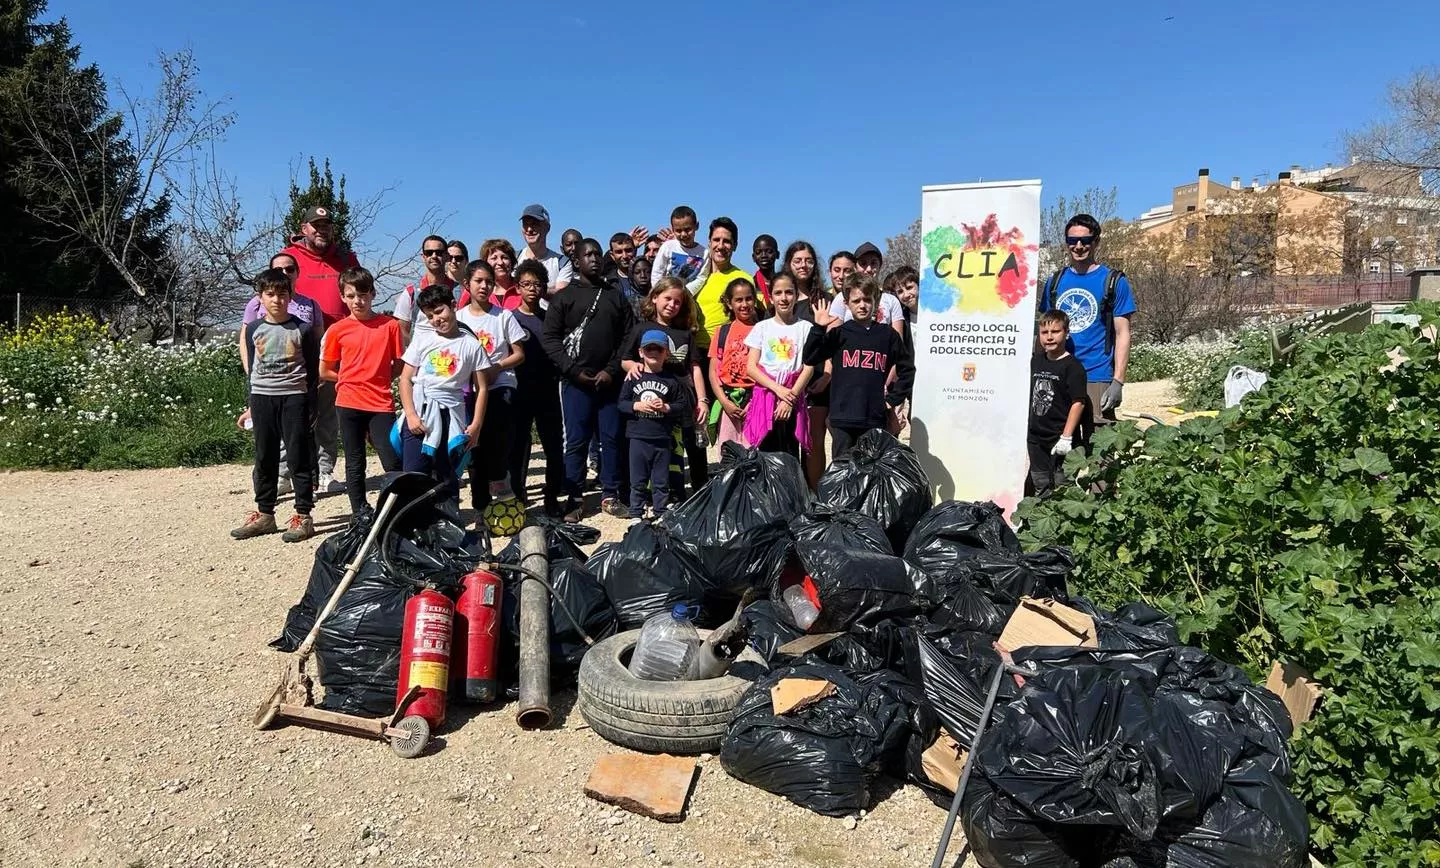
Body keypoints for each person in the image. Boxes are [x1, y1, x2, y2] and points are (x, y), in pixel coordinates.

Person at [541, 237, 636, 522]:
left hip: (610, 383)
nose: (594, 258)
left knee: (611, 438)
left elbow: (628, 336)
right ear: (577, 261)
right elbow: (550, 338)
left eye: (597, 253)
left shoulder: (615, 295)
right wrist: (572, 370)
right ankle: (575, 497)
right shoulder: (564, 296)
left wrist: (611, 369)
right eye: (588, 254)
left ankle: (610, 494)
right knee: (577, 441)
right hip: (574, 384)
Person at [231, 267, 320, 543]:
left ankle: (303, 515)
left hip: (294, 398)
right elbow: (252, 370)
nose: (277, 300)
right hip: (261, 398)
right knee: (264, 456)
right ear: (260, 298)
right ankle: (265, 514)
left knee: (298, 457)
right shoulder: (255, 329)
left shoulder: (302, 329)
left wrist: (312, 407)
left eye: (282, 294)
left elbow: (313, 371)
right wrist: (249, 405)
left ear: (290, 297)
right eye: (270, 294)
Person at [1037, 213, 1135, 444]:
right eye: (1072, 241)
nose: (1078, 246)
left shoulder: (1114, 281)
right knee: (1057, 445)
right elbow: (1043, 329)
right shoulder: (1055, 281)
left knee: (1100, 451)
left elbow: (1123, 333)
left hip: (1097, 375)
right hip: (1058, 373)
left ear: (1096, 242)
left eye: (1085, 240)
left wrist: (1118, 382)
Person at [281, 204, 358, 493]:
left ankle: (325, 471)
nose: (321, 230)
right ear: (304, 229)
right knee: (292, 411)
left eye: (326, 226)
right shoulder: (289, 258)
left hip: (337, 346)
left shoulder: (346, 257)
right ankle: (286, 472)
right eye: (316, 225)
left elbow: (355, 293)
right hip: (296, 347)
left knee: (327, 412)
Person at [319, 266, 404, 522]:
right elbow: (325, 370)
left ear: (373, 294)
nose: (358, 301)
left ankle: (396, 509)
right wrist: (349, 379)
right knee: (355, 461)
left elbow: (399, 363)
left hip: (380, 402)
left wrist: (381, 379)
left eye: (363, 294)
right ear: (343, 297)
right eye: (352, 295)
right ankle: (359, 512)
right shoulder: (337, 330)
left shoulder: (390, 326)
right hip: (349, 402)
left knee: (391, 459)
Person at [396, 286, 493, 508]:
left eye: (439, 311)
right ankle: (414, 526)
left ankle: (449, 524)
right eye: (430, 316)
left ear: (453, 305)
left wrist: (476, 424)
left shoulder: (471, 345)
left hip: (451, 414)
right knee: (413, 472)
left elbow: (482, 388)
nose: (436, 319)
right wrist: (410, 414)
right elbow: (405, 379)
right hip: (421, 411)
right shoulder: (422, 340)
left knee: (447, 473)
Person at [809, 274, 914, 460]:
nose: (862, 305)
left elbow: (907, 369)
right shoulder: (839, 334)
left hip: (874, 417)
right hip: (843, 418)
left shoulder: (887, 335)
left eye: (867, 299)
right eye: (856, 300)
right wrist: (818, 328)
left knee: (871, 472)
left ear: (875, 301)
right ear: (847, 304)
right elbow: (810, 357)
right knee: (843, 472)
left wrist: (892, 399)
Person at [622, 277, 709, 498]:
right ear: (654, 298)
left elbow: (695, 368)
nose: (672, 304)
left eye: (678, 301)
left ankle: (701, 492)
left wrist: (702, 400)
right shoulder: (641, 329)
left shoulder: (686, 333)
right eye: (667, 298)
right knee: (663, 449)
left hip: (684, 400)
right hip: (654, 400)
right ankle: (664, 494)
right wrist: (633, 365)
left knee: (695, 446)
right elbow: (624, 359)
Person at [456, 261, 528, 522]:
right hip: (469, 390)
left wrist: (496, 367)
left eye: (488, 281)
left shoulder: (503, 316)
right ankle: (479, 506)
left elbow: (519, 353)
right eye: (478, 281)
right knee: (474, 449)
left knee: (497, 447)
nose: (484, 286)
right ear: (467, 284)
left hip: (500, 386)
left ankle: (505, 493)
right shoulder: (459, 318)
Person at [508, 260, 566, 516]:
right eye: (526, 284)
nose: (532, 289)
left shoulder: (551, 318)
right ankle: (517, 496)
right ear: (518, 287)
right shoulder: (509, 319)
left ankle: (551, 496)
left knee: (553, 445)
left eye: (537, 284)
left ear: (544, 287)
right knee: (519, 446)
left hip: (549, 389)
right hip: (520, 391)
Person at [619, 331, 693, 520]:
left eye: (658, 349)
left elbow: (681, 404)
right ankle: (636, 512)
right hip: (638, 436)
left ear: (666, 353)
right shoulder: (632, 377)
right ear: (640, 352)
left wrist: (666, 406)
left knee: (660, 479)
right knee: (638, 479)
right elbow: (621, 403)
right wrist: (637, 405)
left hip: (662, 436)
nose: (653, 352)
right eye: (649, 348)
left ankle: (660, 511)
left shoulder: (671, 380)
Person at [743, 275, 814, 460]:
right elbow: (751, 367)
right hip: (766, 397)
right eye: (778, 293)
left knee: (790, 453)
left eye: (789, 292)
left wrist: (789, 399)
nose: (784, 298)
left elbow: (808, 367)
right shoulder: (762, 327)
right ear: (771, 297)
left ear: (797, 295)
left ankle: (791, 489)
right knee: (765, 453)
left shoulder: (805, 328)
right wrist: (778, 390)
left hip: (793, 397)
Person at [1028, 310, 1087, 497]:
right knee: (1041, 483)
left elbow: (1078, 402)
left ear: (1066, 333)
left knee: (1063, 486)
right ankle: (1041, 524)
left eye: (1055, 332)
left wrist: (1067, 437)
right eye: (1045, 333)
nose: (1049, 337)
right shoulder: (1035, 362)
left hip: (1059, 437)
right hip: (1036, 438)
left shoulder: (1073, 367)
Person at [707, 278, 763, 451]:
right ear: (729, 304)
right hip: (728, 399)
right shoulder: (722, 332)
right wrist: (724, 402)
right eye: (738, 300)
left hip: (755, 399)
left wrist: (753, 402)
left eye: (748, 298)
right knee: (728, 452)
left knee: (752, 453)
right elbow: (713, 372)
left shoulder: (763, 330)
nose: (744, 304)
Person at [686, 217, 753, 347]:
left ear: (735, 246)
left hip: (724, 351)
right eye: (716, 240)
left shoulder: (743, 280)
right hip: (692, 351)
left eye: (727, 241)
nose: (720, 246)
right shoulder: (694, 274)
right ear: (709, 243)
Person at [395, 235, 462, 343]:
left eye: (439, 252)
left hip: (453, 355)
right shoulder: (411, 293)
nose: (434, 256)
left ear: (446, 256)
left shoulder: (460, 292)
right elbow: (401, 330)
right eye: (429, 252)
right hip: (420, 358)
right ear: (423, 257)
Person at [827, 248, 904, 332]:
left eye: (873, 263)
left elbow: (898, 341)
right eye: (863, 263)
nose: (869, 269)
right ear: (855, 268)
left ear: (880, 266)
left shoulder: (892, 301)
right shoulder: (841, 298)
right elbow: (832, 338)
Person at [887, 265, 920, 434]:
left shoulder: (936, 315)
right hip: (914, 380)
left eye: (909, 288)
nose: (906, 295)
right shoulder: (902, 319)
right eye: (900, 292)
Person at [517, 204, 574, 291]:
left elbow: (561, 295)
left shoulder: (562, 263)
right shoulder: (513, 259)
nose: (529, 229)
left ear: (547, 228)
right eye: (525, 224)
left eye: (534, 224)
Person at [649, 205, 704, 287]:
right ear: (672, 229)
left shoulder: (704, 253)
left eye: (688, 229)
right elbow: (657, 273)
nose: (683, 234)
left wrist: (685, 294)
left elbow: (701, 278)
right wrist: (660, 293)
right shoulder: (668, 246)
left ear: (696, 226)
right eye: (678, 231)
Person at [481, 238, 524, 310]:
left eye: (504, 257)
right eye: (494, 258)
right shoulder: (480, 289)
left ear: (512, 261)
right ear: (485, 262)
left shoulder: (523, 288)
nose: (500, 262)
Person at [605, 231, 643, 311]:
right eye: (619, 252)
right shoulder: (608, 283)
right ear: (612, 255)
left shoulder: (647, 277)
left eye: (628, 250)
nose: (624, 256)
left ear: (635, 251)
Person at [751, 234, 779, 304]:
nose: (763, 256)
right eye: (758, 252)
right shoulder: (751, 285)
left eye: (769, 251)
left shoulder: (784, 283)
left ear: (778, 254)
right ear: (753, 257)